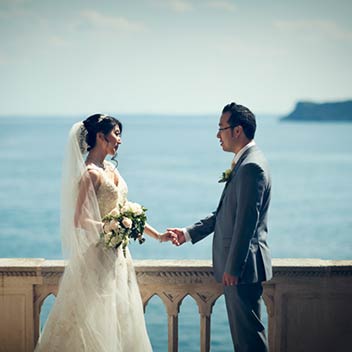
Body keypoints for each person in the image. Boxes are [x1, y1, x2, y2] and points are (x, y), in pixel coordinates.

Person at [35, 114, 172, 352]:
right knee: (96, 323)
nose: (120, 140)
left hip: (119, 259)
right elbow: (79, 219)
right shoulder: (91, 173)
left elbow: (125, 211)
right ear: (100, 136)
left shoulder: (109, 168)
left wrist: (157, 235)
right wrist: (108, 227)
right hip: (98, 259)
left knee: (121, 321)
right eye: (116, 134)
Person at [168, 102, 272, 352]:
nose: (217, 135)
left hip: (241, 270)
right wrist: (188, 233)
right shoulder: (246, 162)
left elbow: (246, 223)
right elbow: (225, 214)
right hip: (241, 269)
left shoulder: (251, 167)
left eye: (221, 128)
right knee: (244, 339)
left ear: (237, 130)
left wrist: (233, 267)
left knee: (249, 341)